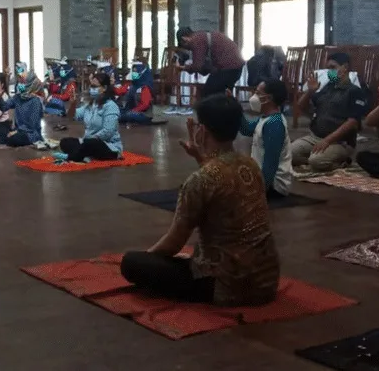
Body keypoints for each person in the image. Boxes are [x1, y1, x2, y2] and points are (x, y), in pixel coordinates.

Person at [120, 95, 280, 306]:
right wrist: (200, 156)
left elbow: (174, 243)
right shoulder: (250, 165)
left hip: (226, 285)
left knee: (131, 263)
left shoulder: (199, 181)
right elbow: (222, 176)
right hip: (266, 280)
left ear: (202, 131)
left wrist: (148, 257)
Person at [290, 52, 368, 172]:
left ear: (345, 67)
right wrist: (310, 92)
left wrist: (327, 141)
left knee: (316, 161)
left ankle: (340, 162)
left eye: (333, 67)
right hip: (315, 137)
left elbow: (352, 122)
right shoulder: (328, 87)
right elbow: (300, 107)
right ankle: (317, 161)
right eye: (328, 68)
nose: (329, 72)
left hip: (340, 142)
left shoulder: (354, 91)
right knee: (289, 153)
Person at [239, 80, 292, 199]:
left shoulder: (274, 124)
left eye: (258, 93)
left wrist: (257, 193)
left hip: (274, 186)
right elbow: (246, 130)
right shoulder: (266, 119)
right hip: (263, 180)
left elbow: (270, 164)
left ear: (268, 98)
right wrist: (236, 109)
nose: (254, 97)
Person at [56, 72, 122, 162]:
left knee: (91, 143)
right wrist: (73, 104)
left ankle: (73, 157)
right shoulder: (91, 105)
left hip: (109, 146)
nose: (92, 89)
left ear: (104, 88)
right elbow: (71, 116)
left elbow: (108, 132)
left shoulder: (111, 106)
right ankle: (84, 155)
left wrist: (87, 140)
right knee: (65, 142)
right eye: (91, 86)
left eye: (95, 86)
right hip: (88, 142)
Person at [175, 26, 244, 98]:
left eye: (186, 47)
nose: (190, 49)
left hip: (228, 67)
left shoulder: (196, 40)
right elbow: (206, 67)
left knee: (208, 94)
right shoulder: (202, 36)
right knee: (222, 96)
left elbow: (197, 66)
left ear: (184, 39)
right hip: (236, 67)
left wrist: (183, 68)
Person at [1, 71, 46, 148]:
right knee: (0, 134)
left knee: (13, 139)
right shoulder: (18, 97)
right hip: (18, 130)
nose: (20, 85)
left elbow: (32, 125)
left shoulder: (35, 101)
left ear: (30, 84)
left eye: (23, 82)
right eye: (19, 82)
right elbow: (4, 106)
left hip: (30, 134)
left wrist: (16, 132)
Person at [118, 61, 155, 125]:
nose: (133, 73)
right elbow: (120, 91)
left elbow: (145, 105)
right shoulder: (132, 86)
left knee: (127, 116)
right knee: (117, 112)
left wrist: (133, 111)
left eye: (135, 71)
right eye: (133, 71)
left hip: (143, 114)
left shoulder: (145, 87)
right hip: (131, 111)